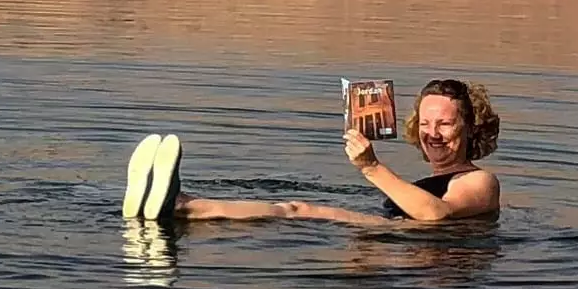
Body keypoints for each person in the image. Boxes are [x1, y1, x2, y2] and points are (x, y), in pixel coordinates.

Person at [121, 79, 502, 227]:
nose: (432, 134)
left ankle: (180, 205)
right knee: (294, 207)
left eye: (445, 125)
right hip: (395, 239)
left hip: (404, 239)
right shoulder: (426, 181)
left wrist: (371, 168)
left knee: (299, 209)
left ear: (470, 128)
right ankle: (177, 203)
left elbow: (437, 214)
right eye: (425, 123)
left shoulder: (481, 180)